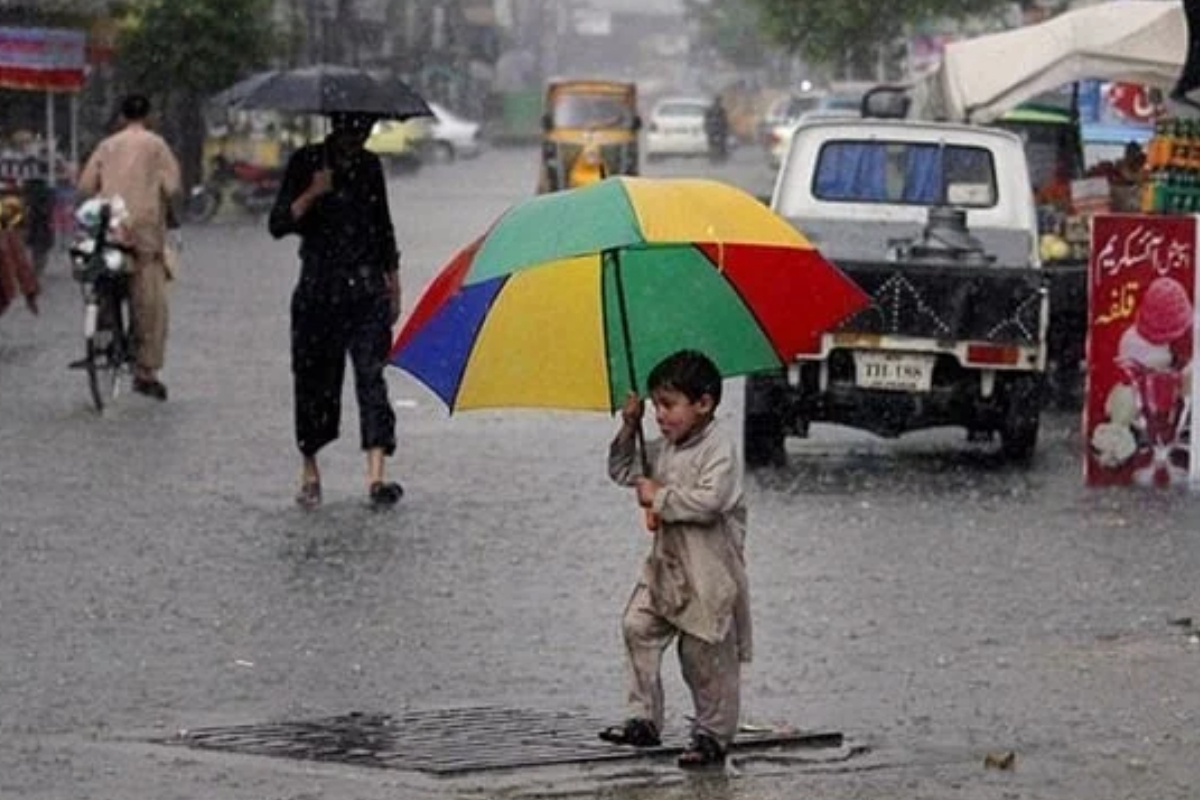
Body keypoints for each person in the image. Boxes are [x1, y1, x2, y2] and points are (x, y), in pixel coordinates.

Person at [600, 349, 752, 769]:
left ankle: (712, 734)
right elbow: (621, 469)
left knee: (704, 656)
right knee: (638, 626)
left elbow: (710, 502)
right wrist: (629, 425)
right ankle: (642, 717)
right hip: (667, 567)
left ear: (703, 404)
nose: (660, 417)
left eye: (669, 406)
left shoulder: (720, 448)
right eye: (655, 407)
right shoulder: (664, 448)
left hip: (708, 572)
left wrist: (660, 497)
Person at [268, 111, 404, 510]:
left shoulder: (369, 166)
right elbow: (277, 223)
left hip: (366, 292)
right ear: (337, 129)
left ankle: (376, 477)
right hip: (318, 291)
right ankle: (310, 472)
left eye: (366, 131)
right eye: (353, 131)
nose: (358, 139)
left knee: (372, 378)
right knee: (314, 382)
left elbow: (383, 226)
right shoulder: (306, 162)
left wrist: (393, 281)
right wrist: (312, 193)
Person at [77, 93, 182, 400]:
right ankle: (145, 371)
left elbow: (85, 185)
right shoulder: (156, 145)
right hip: (144, 235)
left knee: (104, 281)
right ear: (148, 117)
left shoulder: (107, 146)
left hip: (109, 231)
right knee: (150, 304)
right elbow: (172, 186)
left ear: (122, 117)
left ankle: (106, 331)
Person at [704, 97, 729, 162]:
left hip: (712, 129)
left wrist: (706, 128)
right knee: (722, 143)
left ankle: (715, 154)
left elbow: (706, 120)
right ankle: (722, 154)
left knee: (712, 143)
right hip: (718, 129)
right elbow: (725, 121)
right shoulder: (722, 110)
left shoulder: (709, 109)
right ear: (719, 102)